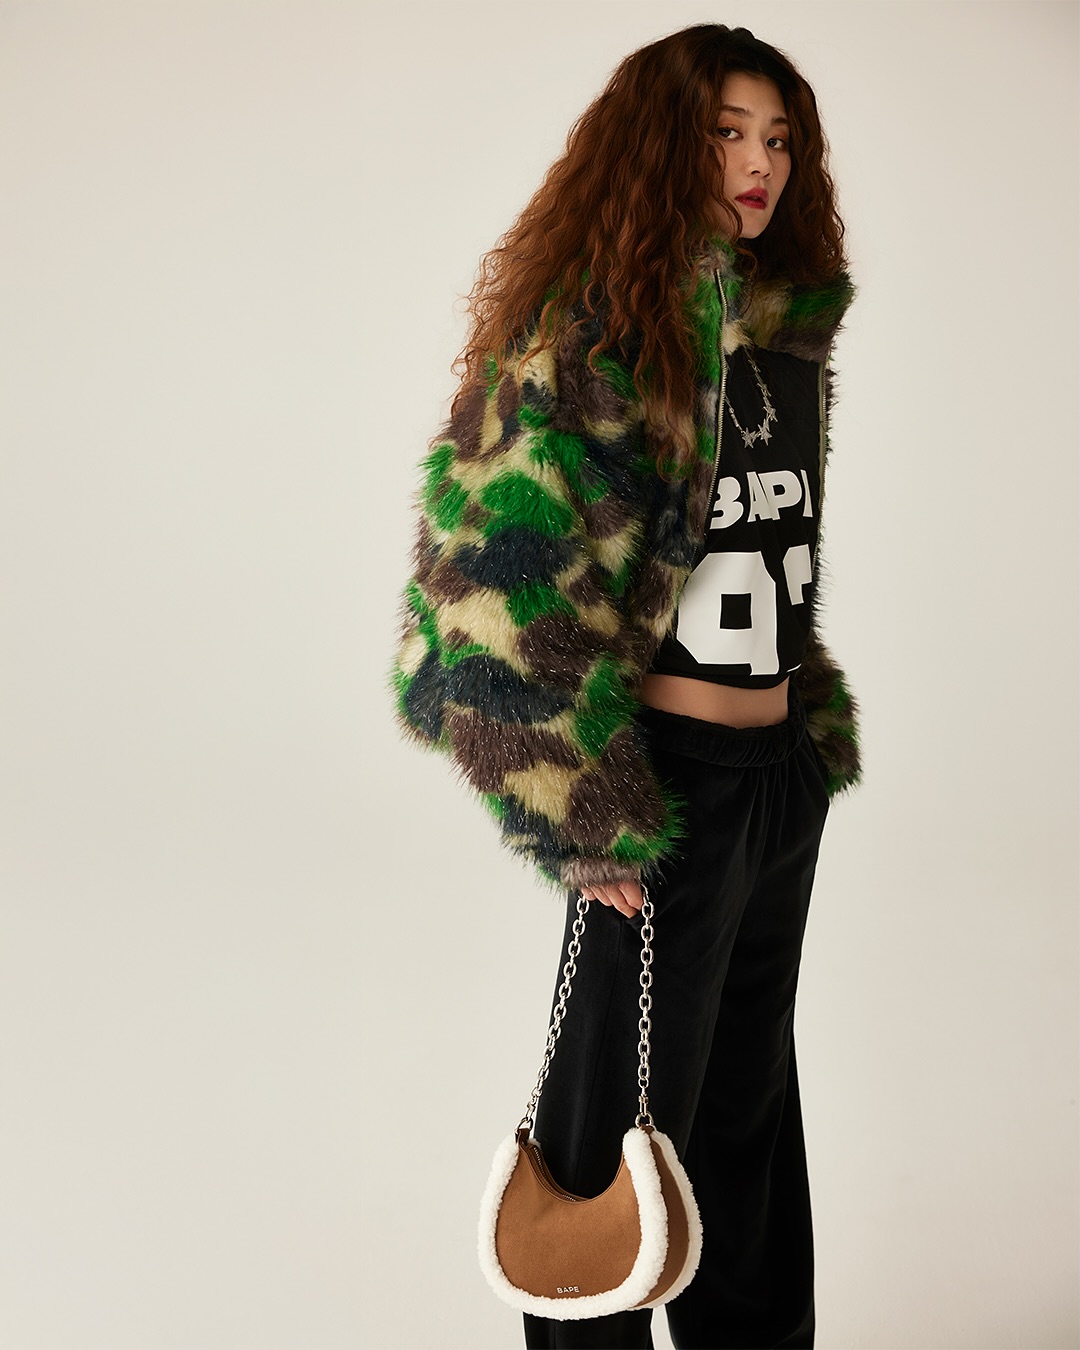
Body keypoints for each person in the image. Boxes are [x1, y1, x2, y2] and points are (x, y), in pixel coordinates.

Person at [392, 22, 860, 1350]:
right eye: (728, 133)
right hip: (662, 792)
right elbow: (489, 586)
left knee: (743, 1134)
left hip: (776, 778)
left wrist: (802, 736)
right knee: (608, 1150)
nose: (760, 163)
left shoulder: (776, 334)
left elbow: (757, 550)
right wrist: (587, 816)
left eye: (779, 138)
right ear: (663, 146)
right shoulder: (594, 336)